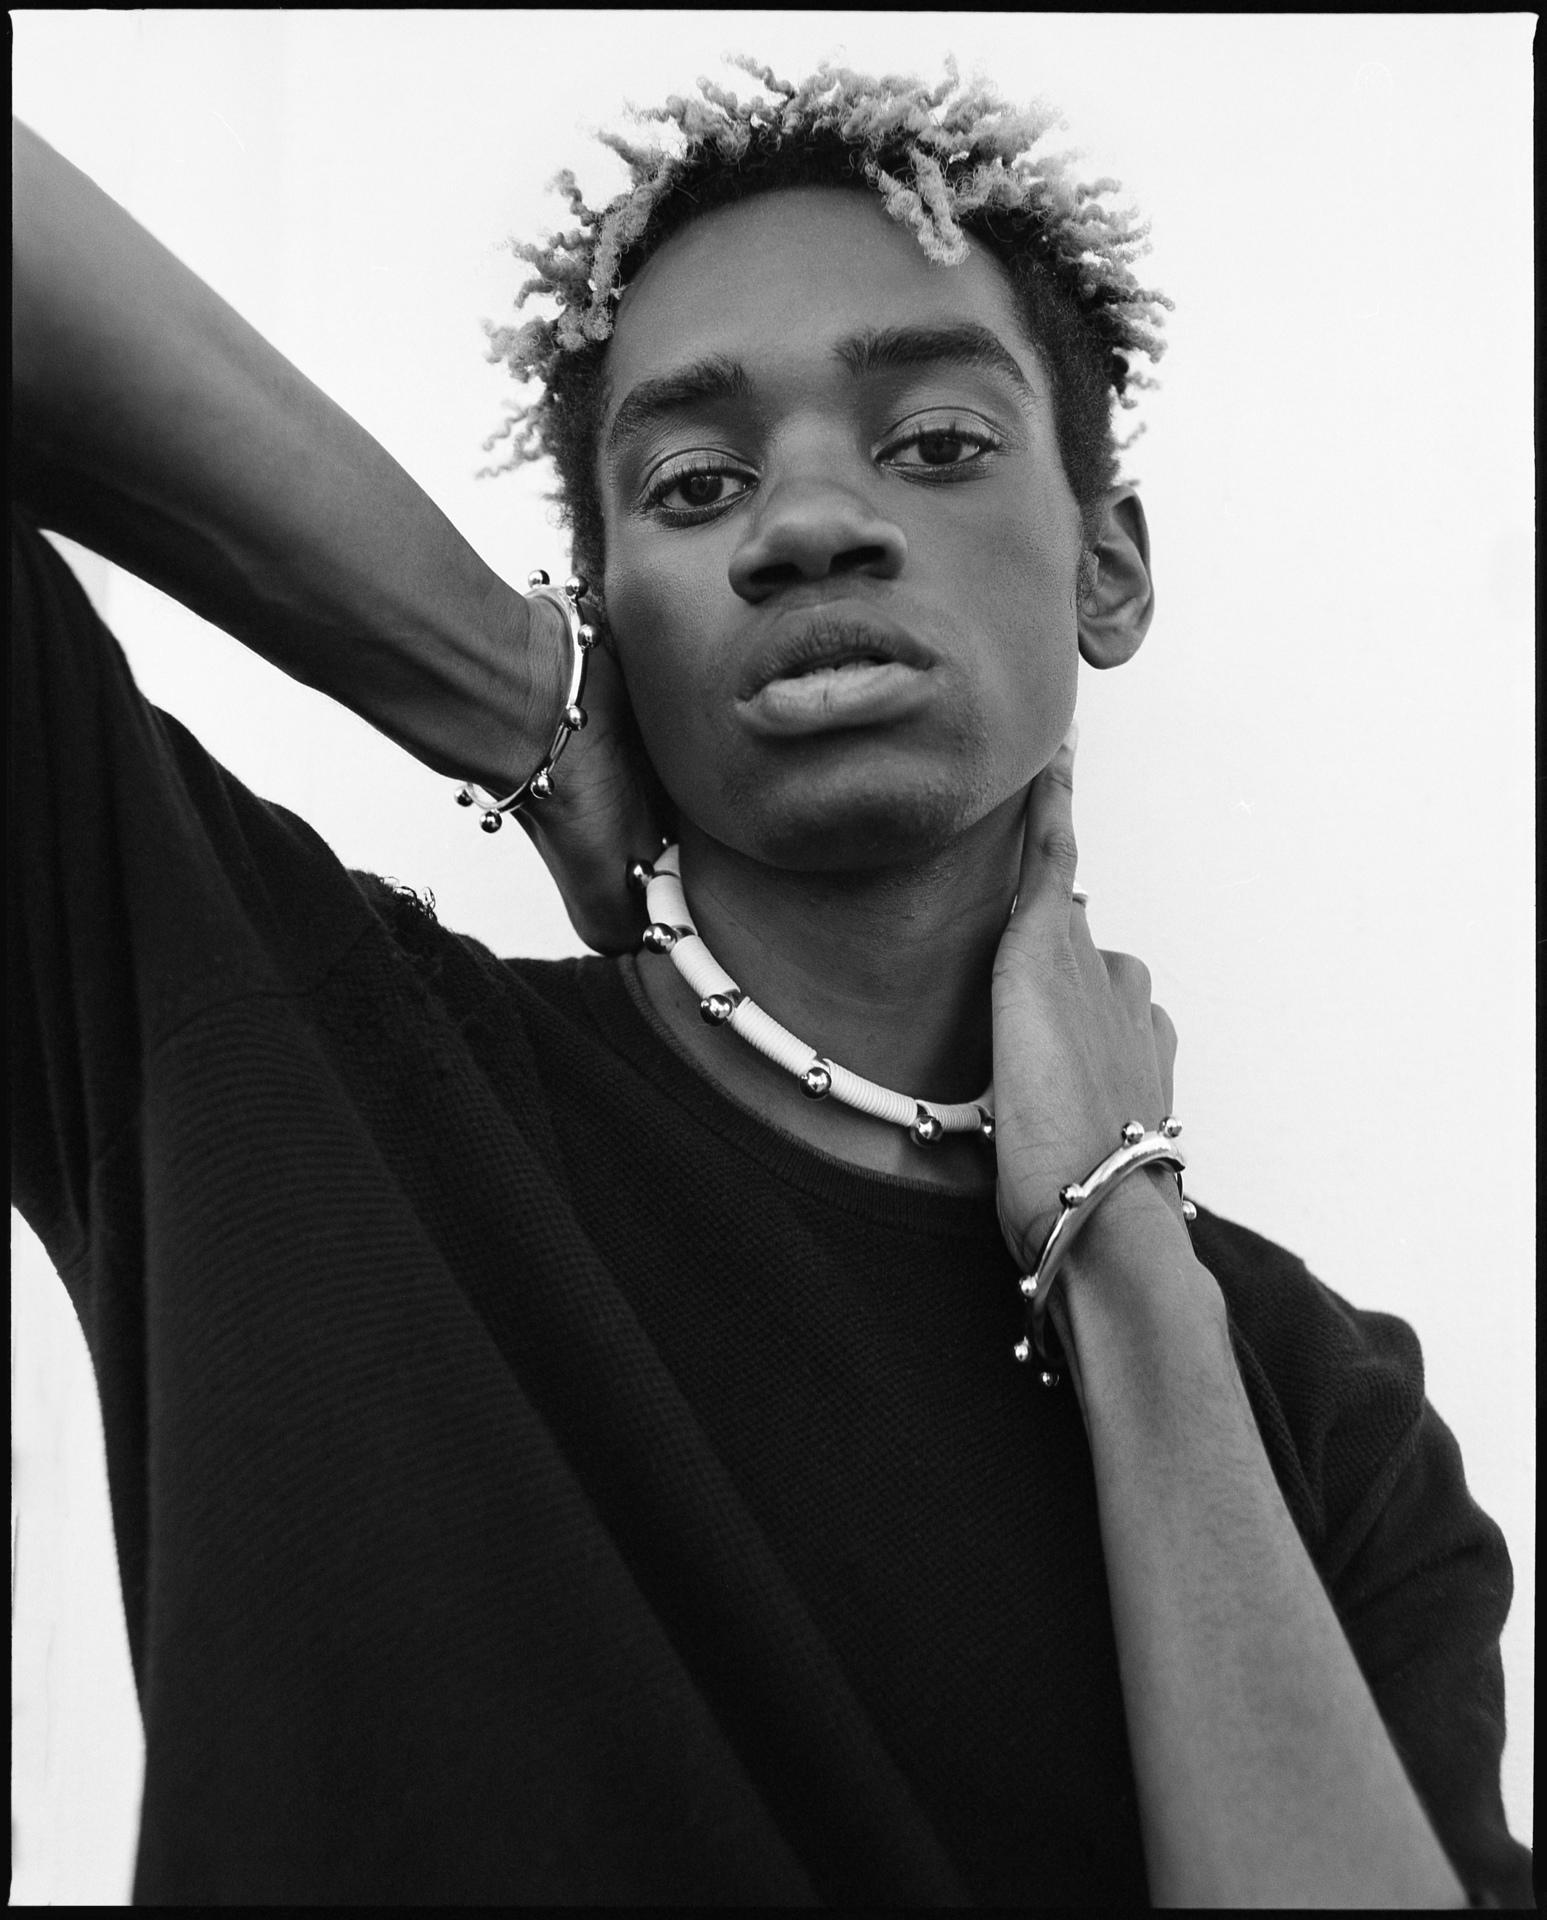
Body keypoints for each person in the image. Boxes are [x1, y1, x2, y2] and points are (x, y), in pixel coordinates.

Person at [10, 57, 1533, 1907]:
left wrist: (1125, 1253)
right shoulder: (278, 1042)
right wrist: (513, 693)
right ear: (608, 597)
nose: (808, 522)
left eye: (940, 443)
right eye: (694, 480)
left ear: (1107, 571)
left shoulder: (1322, 1416)